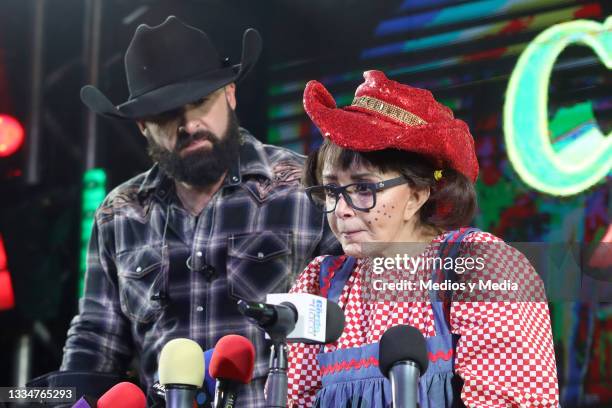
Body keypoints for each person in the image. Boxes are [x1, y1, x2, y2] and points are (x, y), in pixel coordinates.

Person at [34, 16, 339, 406]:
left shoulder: (304, 187)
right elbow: (96, 337)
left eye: (200, 101)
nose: (189, 123)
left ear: (230, 94)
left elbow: (350, 322)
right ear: (143, 126)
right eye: (166, 113)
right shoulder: (119, 213)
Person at [286, 70, 559, 407]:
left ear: (417, 195)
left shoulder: (478, 268)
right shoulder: (318, 285)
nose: (341, 209)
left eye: (362, 188)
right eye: (331, 190)